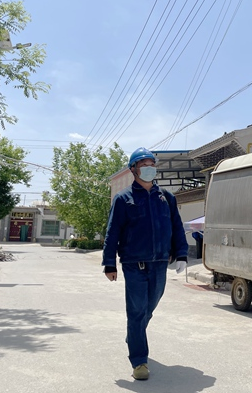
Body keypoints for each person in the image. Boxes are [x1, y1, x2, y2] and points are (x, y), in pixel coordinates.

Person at [102, 147, 188, 381]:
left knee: (150, 306)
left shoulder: (166, 198)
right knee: (137, 311)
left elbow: (177, 227)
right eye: (144, 164)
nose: (149, 168)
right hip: (133, 264)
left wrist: (181, 254)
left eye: (152, 164)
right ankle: (139, 360)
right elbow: (113, 232)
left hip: (160, 262)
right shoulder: (124, 199)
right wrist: (109, 263)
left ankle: (134, 334)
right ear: (134, 169)